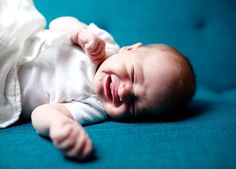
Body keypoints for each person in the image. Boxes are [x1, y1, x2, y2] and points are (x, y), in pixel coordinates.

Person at [0, 0, 195, 160]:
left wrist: (57, 124)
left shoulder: (96, 108)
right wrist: (79, 32)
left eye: (135, 105)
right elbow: (57, 23)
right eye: (134, 75)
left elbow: (41, 113)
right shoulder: (103, 42)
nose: (126, 92)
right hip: (16, 38)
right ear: (128, 49)